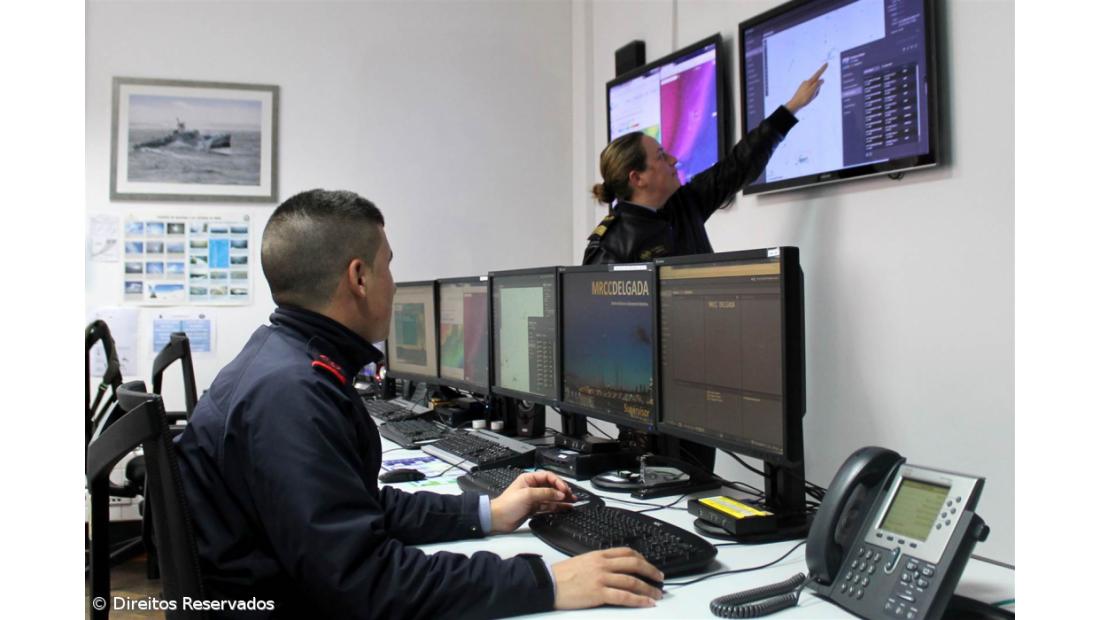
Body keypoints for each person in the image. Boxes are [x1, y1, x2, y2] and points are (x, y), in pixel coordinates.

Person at [174, 189, 664, 619]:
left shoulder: (281, 362)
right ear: (359, 277)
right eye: (389, 265)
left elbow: (354, 508)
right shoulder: (292, 395)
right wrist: (548, 582)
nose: (393, 283)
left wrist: (489, 512)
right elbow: (366, 585)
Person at [584, 63, 828, 265]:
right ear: (637, 178)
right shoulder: (609, 246)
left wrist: (792, 107)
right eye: (661, 156)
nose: (674, 160)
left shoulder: (685, 204)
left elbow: (740, 163)